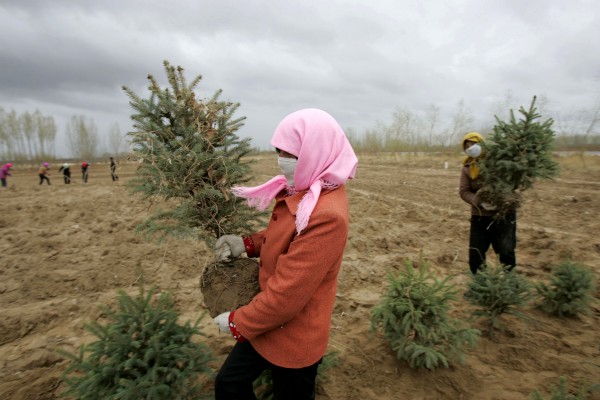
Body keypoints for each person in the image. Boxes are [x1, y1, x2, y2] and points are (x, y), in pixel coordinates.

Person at [212, 109, 358, 400]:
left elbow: (287, 294)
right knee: (228, 384)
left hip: (293, 333)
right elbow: (288, 238)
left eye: (290, 154)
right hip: (268, 321)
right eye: (279, 152)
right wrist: (248, 243)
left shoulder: (327, 215)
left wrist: (237, 323)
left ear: (315, 151)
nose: (282, 161)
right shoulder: (305, 191)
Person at [458, 131, 516, 274]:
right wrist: (479, 202)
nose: (470, 148)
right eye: (467, 146)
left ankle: (510, 283)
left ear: (482, 144)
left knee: (506, 251)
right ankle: (480, 285)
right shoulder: (467, 168)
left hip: (503, 216)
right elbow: (464, 192)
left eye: (473, 144)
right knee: (475, 254)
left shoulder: (498, 162)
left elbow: (511, 182)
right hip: (480, 217)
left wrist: (502, 198)